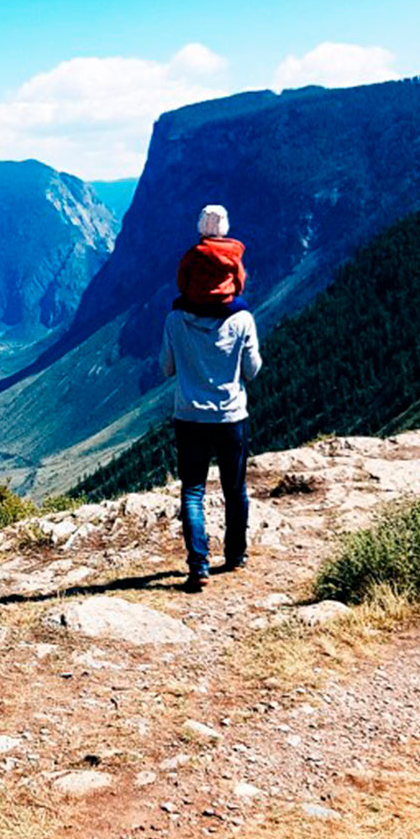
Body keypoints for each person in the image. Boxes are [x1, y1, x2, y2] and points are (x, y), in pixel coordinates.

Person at [160, 204, 262, 591]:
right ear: (233, 273)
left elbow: (167, 369)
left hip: (189, 416)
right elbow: (252, 370)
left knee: (193, 491)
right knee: (235, 489)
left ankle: (198, 566)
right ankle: (235, 556)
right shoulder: (242, 319)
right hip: (231, 416)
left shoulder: (175, 318)